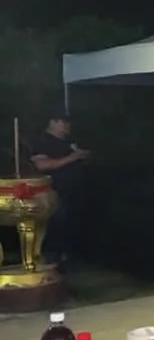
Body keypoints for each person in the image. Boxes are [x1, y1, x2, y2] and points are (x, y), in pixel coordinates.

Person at [30, 114, 91, 266]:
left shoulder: (69, 141)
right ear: (52, 122)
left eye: (68, 122)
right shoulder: (42, 141)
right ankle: (50, 260)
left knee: (72, 226)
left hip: (74, 192)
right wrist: (72, 157)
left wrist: (83, 156)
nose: (67, 126)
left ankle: (69, 259)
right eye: (63, 122)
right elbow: (42, 165)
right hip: (54, 192)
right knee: (56, 225)